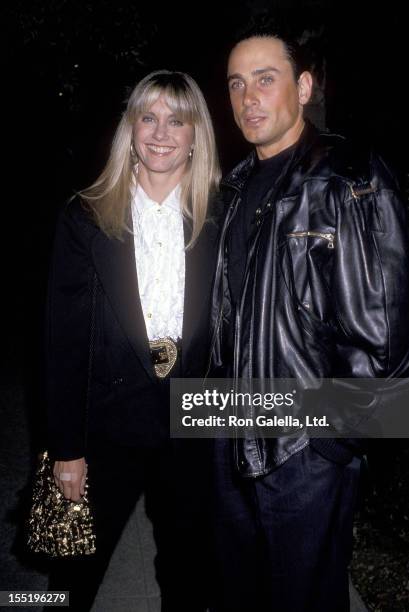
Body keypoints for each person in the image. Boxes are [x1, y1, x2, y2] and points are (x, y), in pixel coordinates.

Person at [208, 28, 409, 612]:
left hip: (305, 443)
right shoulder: (235, 186)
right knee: (243, 592)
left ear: (303, 87)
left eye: (265, 79)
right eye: (236, 83)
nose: (248, 97)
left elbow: (388, 333)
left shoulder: (351, 177)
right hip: (230, 429)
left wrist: (334, 441)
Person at [45, 70, 221, 611]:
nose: (162, 131)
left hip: (193, 428)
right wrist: (67, 449)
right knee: (71, 580)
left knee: (190, 576)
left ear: (196, 136)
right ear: (131, 130)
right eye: (148, 116)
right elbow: (62, 341)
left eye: (178, 119)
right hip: (108, 425)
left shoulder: (224, 217)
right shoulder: (86, 217)